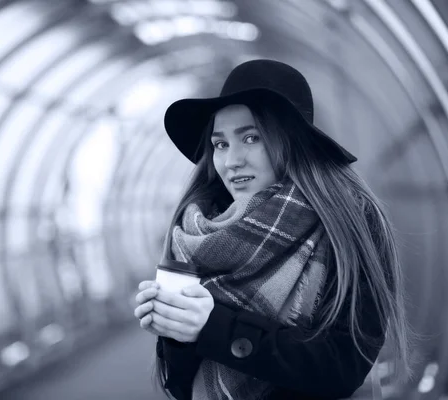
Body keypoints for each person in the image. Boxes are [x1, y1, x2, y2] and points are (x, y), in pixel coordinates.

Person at [133, 59, 413, 399]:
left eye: (251, 137)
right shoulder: (199, 232)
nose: (232, 160)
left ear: (292, 142)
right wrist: (175, 327)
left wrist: (212, 326)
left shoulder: (349, 221)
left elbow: (343, 366)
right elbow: (180, 386)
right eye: (220, 144)